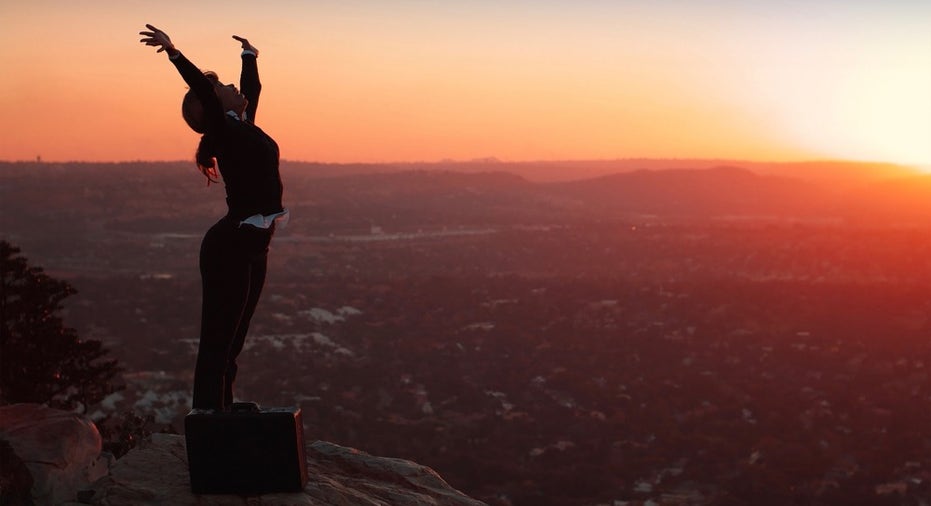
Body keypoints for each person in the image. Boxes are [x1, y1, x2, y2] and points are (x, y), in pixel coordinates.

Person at [139, 24, 288, 411]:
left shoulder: (241, 126)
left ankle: (223, 409)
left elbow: (249, 92)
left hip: (256, 244)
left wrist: (249, 57)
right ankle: (209, 418)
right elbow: (204, 91)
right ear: (215, 107)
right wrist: (173, 52)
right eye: (223, 88)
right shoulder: (225, 132)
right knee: (218, 339)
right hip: (231, 247)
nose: (231, 89)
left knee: (235, 338)